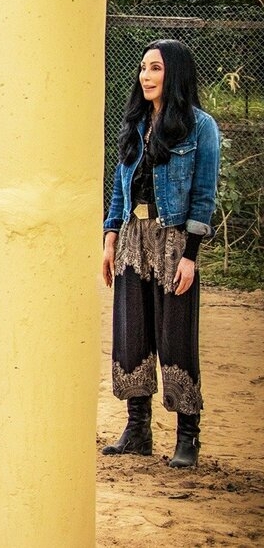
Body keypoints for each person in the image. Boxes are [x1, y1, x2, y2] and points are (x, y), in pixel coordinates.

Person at [100, 38, 220, 468]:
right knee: (132, 333)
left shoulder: (201, 126)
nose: (145, 77)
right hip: (134, 236)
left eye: (155, 69)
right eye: (143, 69)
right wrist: (110, 234)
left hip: (173, 242)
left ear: (175, 74)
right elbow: (120, 185)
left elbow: (204, 195)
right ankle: (137, 430)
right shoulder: (134, 124)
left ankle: (188, 436)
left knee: (176, 336)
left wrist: (191, 254)